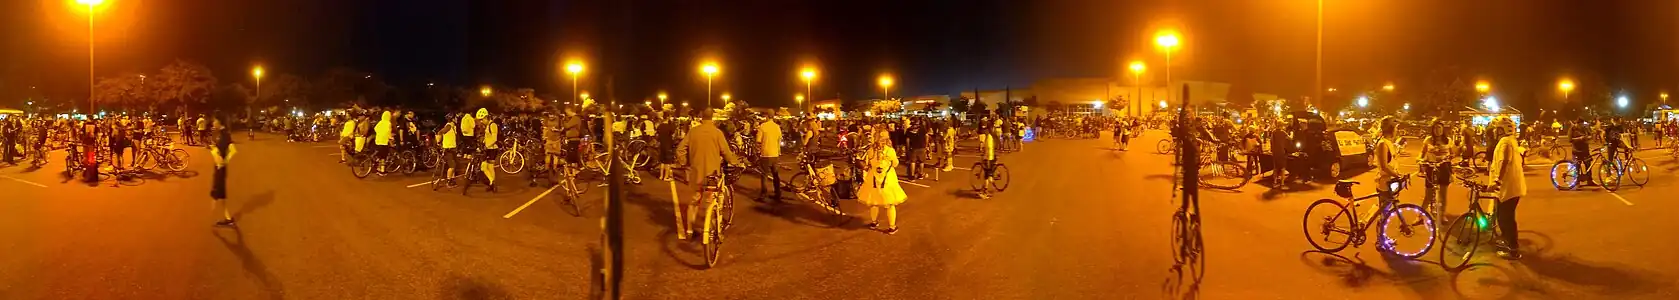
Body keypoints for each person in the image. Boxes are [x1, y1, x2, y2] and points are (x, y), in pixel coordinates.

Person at [674, 110, 741, 240]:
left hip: (696, 173)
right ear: (713, 118)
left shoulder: (693, 132)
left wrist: (685, 163)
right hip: (712, 175)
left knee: (694, 201)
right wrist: (734, 161)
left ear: (701, 117)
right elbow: (726, 153)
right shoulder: (717, 133)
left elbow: (680, 150)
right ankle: (714, 229)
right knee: (713, 201)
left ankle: (689, 230)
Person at [1487, 120, 1527, 259]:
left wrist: (1497, 181)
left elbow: (1504, 161)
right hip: (1510, 187)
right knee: (1503, 217)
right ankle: (1508, 242)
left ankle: (1513, 249)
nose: (1494, 131)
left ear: (1502, 130)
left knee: (1506, 219)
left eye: (1497, 129)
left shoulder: (1505, 142)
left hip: (1508, 187)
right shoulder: (1511, 140)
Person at [859, 128, 906, 234]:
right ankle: (892, 227)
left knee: (874, 202)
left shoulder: (871, 150)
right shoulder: (890, 151)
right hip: (887, 179)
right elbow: (895, 164)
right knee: (890, 204)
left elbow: (866, 163)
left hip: (873, 179)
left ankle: (874, 222)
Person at [1418, 119, 1455, 218]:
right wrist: (1420, 160)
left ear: (1443, 129)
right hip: (1431, 167)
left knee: (1443, 194)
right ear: (1432, 130)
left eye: (1439, 127)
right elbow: (1422, 153)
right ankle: (1420, 215)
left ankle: (1442, 214)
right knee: (1428, 194)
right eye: (1435, 128)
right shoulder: (1428, 140)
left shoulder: (1448, 140)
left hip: (1444, 167)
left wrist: (1449, 157)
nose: (1437, 130)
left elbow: (1453, 153)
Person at [209, 116, 239, 227]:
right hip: (219, 167)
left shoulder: (224, 135)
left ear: (219, 121)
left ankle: (214, 218)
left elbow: (233, 150)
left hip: (220, 168)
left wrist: (224, 161)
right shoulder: (220, 134)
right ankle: (227, 218)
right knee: (220, 193)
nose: (213, 122)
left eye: (215, 121)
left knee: (217, 192)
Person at [755, 115, 782, 204]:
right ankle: (777, 193)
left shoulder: (763, 126)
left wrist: (758, 148)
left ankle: (763, 195)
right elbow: (779, 140)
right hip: (775, 154)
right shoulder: (777, 127)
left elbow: (758, 140)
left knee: (764, 175)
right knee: (775, 175)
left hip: (765, 154)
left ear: (766, 116)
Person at [976, 126, 1000, 199]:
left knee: (986, 176)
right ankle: (990, 181)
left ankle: (985, 192)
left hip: (989, 158)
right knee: (988, 175)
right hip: (991, 157)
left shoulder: (989, 137)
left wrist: (985, 156)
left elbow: (989, 148)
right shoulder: (991, 136)